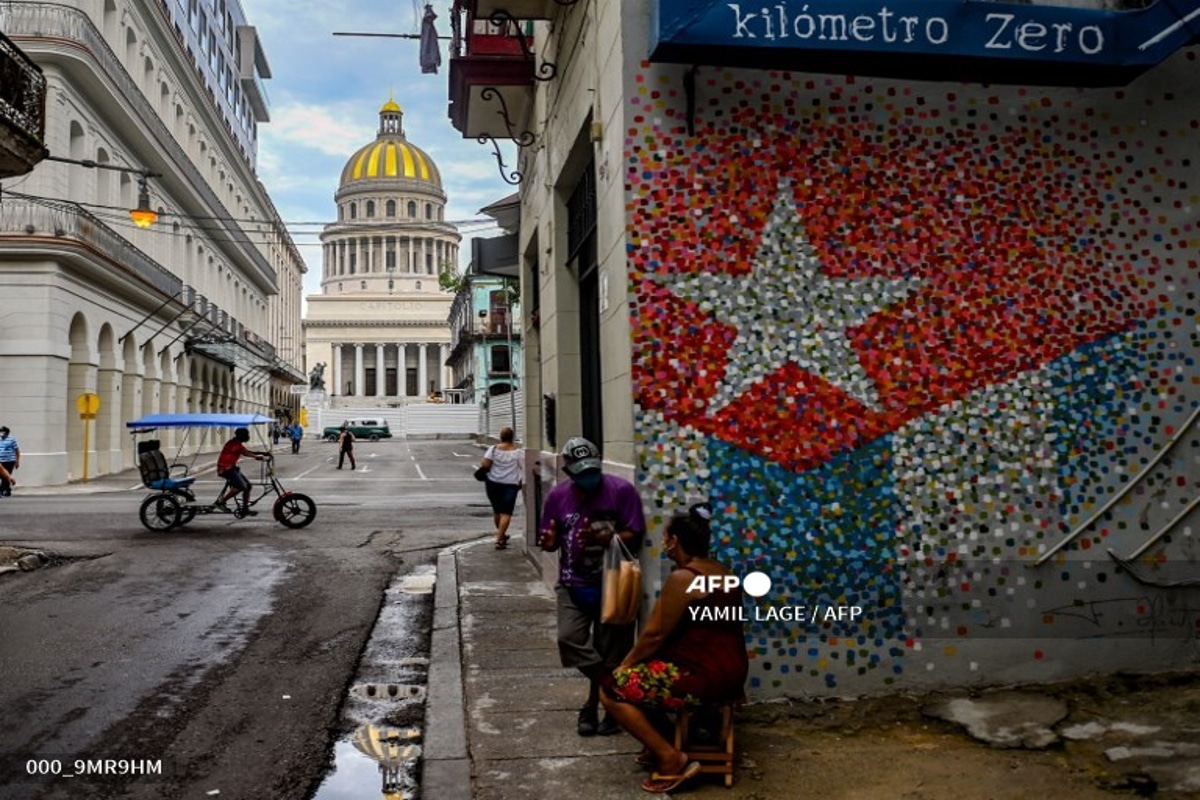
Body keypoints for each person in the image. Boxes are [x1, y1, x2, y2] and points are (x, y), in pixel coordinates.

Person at [600, 502, 749, 794]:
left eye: (666, 538)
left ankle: (670, 758)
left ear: (675, 541)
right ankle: (662, 743)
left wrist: (624, 665)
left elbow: (654, 635)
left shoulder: (686, 578)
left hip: (701, 675)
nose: (664, 544)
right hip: (731, 670)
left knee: (611, 688)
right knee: (646, 674)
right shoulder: (722, 571)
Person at [539, 437, 646, 738]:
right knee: (569, 638)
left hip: (614, 582)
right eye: (582, 473)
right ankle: (611, 690)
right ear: (570, 472)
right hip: (573, 582)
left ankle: (596, 707)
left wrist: (608, 538)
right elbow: (548, 538)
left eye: (593, 471)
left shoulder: (621, 491)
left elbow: (635, 532)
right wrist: (548, 541)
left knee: (612, 652)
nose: (589, 478)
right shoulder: (558, 497)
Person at [478, 427, 524, 549]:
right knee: (507, 512)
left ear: (500, 436)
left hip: (493, 483)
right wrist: (520, 482)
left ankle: (500, 536)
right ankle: (499, 538)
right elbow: (523, 467)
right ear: (512, 437)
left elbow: (485, 464)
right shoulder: (518, 452)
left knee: (497, 511)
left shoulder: (492, 449)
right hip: (510, 484)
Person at [215, 427, 269, 514]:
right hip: (225, 469)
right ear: (241, 436)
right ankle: (220, 502)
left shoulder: (236, 443)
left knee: (248, 486)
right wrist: (258, 457)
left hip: (231, 468)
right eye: (246, 435)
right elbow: (246, 453)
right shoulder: (235, 444)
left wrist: (262, 453)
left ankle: (245, 508)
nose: (248, 437)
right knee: (241, 486)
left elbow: (246, 451)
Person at [0, 426, 20, 497]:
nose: (1, 433)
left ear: (7, 432)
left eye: (2, 432)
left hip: (9, 460)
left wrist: (17, 461)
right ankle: (7, 490)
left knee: (5, 476)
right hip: (1, 460)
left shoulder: (12, 440)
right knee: (3, 476)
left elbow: (17, 450)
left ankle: (2, 490)